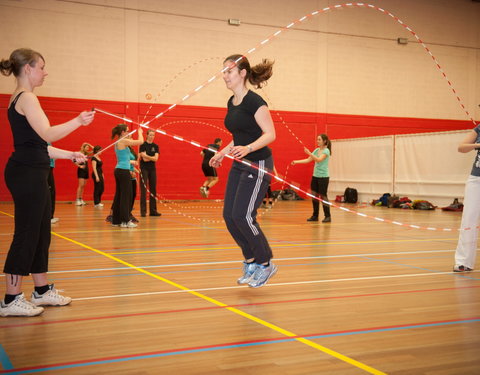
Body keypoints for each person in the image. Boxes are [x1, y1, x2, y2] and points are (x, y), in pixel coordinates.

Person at [0, 48, 95, 317]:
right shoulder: (27, 97)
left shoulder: (24, 98)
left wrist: (70, 155)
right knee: (27, 232)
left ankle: (41, 290)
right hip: (26, 174)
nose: (45, 72)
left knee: (41, 231)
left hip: (33, 170)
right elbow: (48, 133)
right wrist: (78, 121)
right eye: (41, 67)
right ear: (28, 69)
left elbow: (39, 145)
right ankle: (10, 298)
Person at [209, 54, 277, 288]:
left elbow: (270, 134)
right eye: (224, 71)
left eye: (229, 71)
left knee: (244, 216)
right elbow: (238, 137)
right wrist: (222, 153)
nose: (225, 75)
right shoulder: (232, 102)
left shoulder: (255, 102)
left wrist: (247, 148)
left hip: (257, 163)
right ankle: (251, 262)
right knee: (230, 216)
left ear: (242, 74)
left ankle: (266, 264)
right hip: (240, 164)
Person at [453, 125, 480, 272]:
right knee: (469, 219)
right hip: (476, 179)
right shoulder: (479, 129)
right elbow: (461, 147)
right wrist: (477, 145)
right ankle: (463, 262)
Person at [291, 134, 332, 223]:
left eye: (319, 139)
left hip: (323, 177)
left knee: (323, 196)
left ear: (324, 141)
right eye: (317, 139)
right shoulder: (317, 150)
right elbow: (308, 160)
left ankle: (328, 216)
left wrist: (309, 153)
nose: (317, 141)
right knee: (314, 196)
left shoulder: (326, 151)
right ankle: (315, 216)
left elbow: (318, 160)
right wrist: (296, 162)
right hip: (315, 177)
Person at [111, 124, 143, 228]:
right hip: (123, 171)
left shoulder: (119, 141)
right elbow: (140, 142)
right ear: (122, 132)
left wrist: (131, 136)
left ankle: (116, 220)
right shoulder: (123, 141)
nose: (129, 132)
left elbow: (131, 142)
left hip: (119, 170)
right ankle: (125, 221)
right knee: (126, 196)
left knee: (119, 196)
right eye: (127, 131)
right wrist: (140, 132)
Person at [139, 129, 161, 217]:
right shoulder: (143, 145)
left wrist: (147, 156)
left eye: (153, 135)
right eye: (150, 135)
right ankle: (143, 211)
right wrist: (150, 157)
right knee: (143, 190)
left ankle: (153, 211)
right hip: (144, 169)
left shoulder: (156, 146)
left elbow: (156, 159)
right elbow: (144, 159)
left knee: (153, 189)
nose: (152, 137)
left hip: (152, 169)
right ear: (147, 135)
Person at [47, 143, 59, 224]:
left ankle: (49, 216)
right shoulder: (45, 141)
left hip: (48, 168)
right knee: (50, 193)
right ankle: (49, 217)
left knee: (50, 192)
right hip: (47, 168)